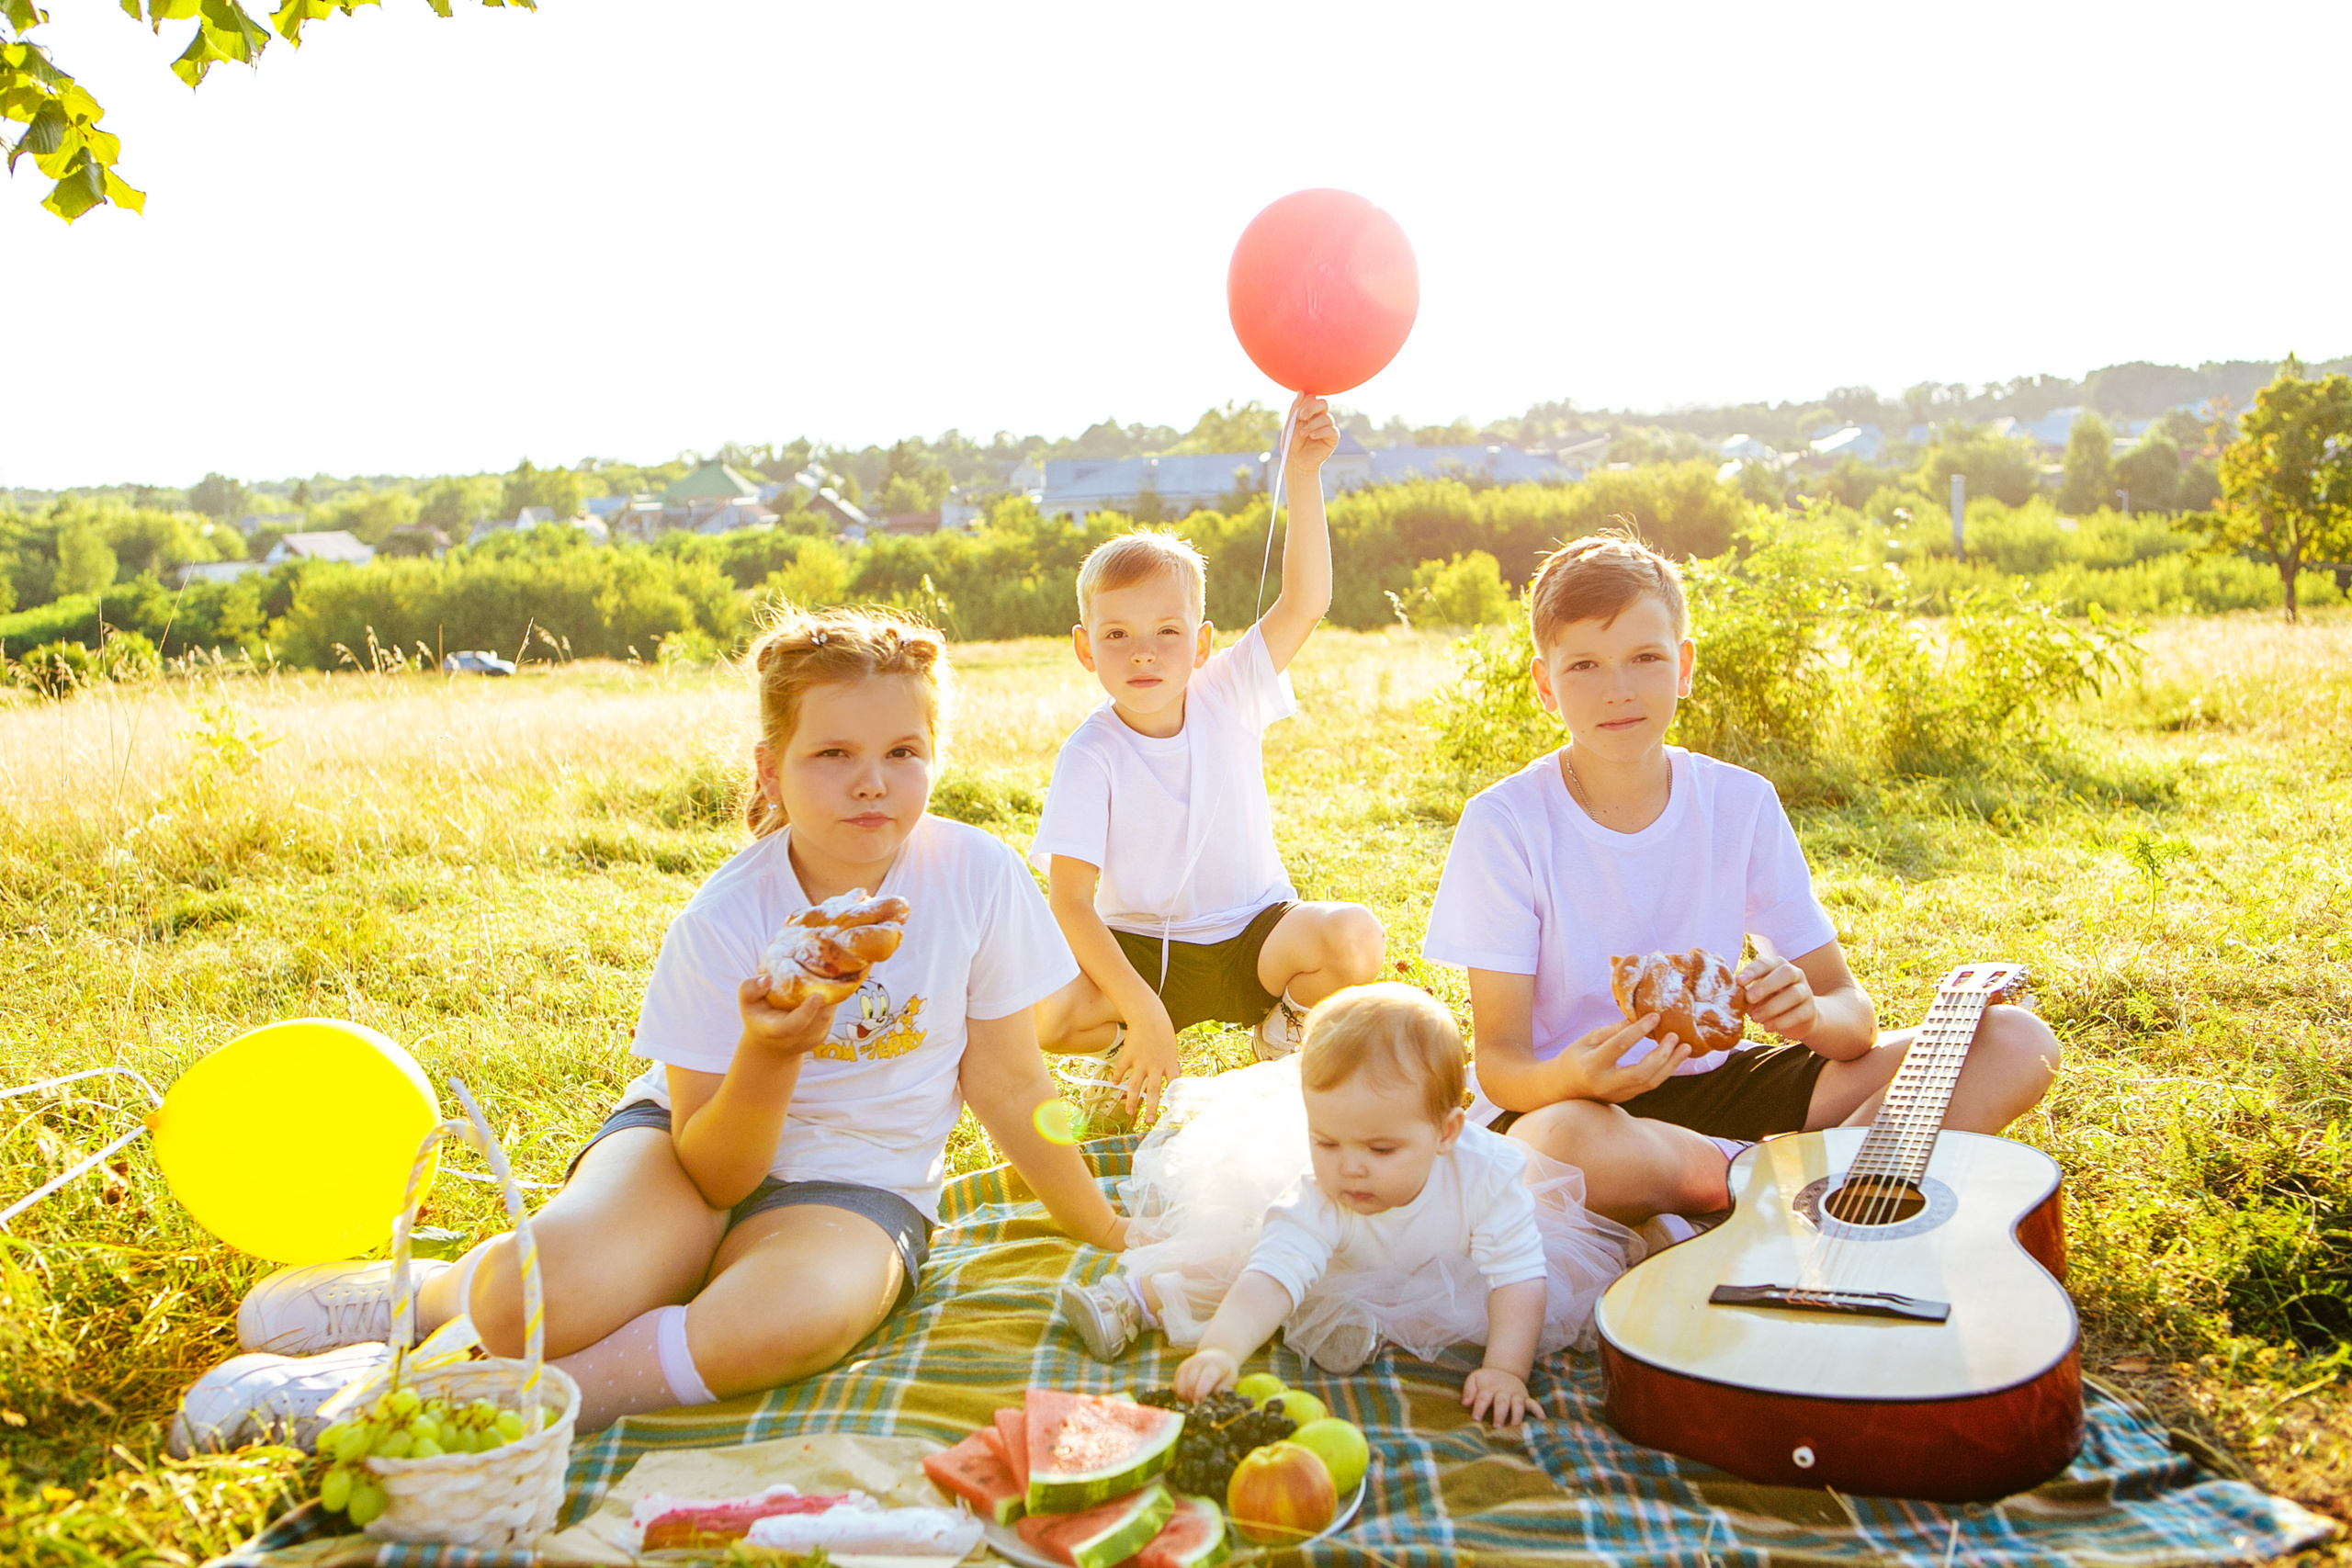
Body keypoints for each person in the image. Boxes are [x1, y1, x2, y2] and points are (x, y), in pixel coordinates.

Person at [174, 608, 1127, 1451]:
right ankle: (419, 1300)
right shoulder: (725, 921)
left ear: (933, 757)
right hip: (687, 1151)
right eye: (832, 755)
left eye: (902, 753)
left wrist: (1105, 1229)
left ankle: (491, 1404)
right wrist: (770, 1050)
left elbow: (1012, 1088)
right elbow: (715, 1169)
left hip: (859, 1187)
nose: (872, 783)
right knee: (540, 1297)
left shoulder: (976, 877)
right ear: (772, 769)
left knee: (792, 1318)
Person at [1419, 530, 2063, 1229]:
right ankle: (1776, 1179)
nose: (1618, 689)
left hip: (1723, 1086)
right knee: (1556, 1148)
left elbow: (1852, 1016)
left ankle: (1755, 1181)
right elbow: (1503, 1064)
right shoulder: (1505, 823)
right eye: (1584, 666)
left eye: (1645, 656)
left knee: (2014, 1041)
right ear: (1545, 683)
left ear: (1684, 665)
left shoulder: (1739, 802)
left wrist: (1809, 1015)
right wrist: (1575, 1076)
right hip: (1573, 1101)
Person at [1030, 395, 1385, 1121]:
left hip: (1256, 936)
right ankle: (1130, 1043)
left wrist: (1303, 474)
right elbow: (1069, 899)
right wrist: (1145, 1009)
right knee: (1043, 1012)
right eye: (1118, 635)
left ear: (1201, 642)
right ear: (1084, 646)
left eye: (1167, 631)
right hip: (1144, 954)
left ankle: (1281, 1029)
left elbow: (1308, 598)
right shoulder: (1090, 753)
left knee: (1353, 935)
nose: (1144, 653)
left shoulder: (1228, 690)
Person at [1057, 985, 1637, 1428]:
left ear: (1446, 1131)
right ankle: (1137, 1296)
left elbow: (1515, 1278)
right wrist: (1221, 1351)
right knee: (1245, 1257)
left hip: (1449, 1265)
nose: (1351, 1167)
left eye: (1381, 1149)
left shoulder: (1485, 1177)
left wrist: (1505, 1371)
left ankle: (1657, 1242)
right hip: (1342, 1258)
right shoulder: (1324, 1190)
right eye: (1327, 1142)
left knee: (1545, 1292)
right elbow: (1272, 1275)